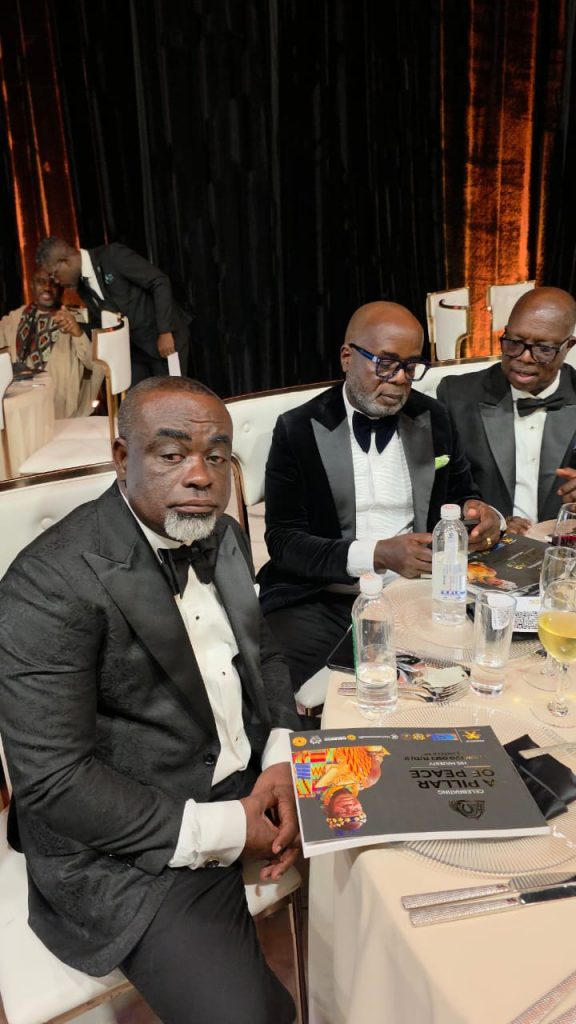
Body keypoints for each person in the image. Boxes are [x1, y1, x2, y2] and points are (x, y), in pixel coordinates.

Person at [0, 377, 300, 1024]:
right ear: (121, 457)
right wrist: (229, 828)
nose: (201, 476)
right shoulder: (47, 583)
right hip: (129, 840)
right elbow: (54, 783)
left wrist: (281, 761)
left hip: (248, 780)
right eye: (172, 454)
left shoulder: (224, 534)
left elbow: (266, 657)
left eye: (216, 456)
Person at [258, 300, 500, 690]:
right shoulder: (298, 429)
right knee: (272, 679)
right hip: (323, 597)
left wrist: (481, 513)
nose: (401, 379)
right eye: (386, 364)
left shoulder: (434, 418)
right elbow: (284, 541)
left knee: (479, 671)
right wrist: (378, 554)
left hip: (420, 593)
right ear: (347, 357)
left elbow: (463, 496)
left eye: (411, 366)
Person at [437, 286, 576, 534]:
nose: (524, 357)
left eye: (544, 349)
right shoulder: (457, 396)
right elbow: (443, 490)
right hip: (488, 548)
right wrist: (496, 522)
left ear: (569, 346)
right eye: (514, 343)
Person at [36, 236, 192, 385]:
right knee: (135, 400)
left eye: (54, 274)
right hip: (135, 352)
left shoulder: (112, 256)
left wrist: (165, 331)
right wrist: (75, 326)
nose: (56, 282)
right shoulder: (82, 288)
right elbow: (103, 326)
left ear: (65, 261)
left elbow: (159, 282)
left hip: (164, 342)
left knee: (171, 398)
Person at [0, 267, 103, 417]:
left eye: (53, 283)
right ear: (31, 285)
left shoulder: (76, 319)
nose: (47, 288)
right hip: (22, 412)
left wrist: (77, 333)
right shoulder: (13, 319)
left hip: (61, 413)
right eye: (41, 282)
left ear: (62, 287)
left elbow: (96, 365)